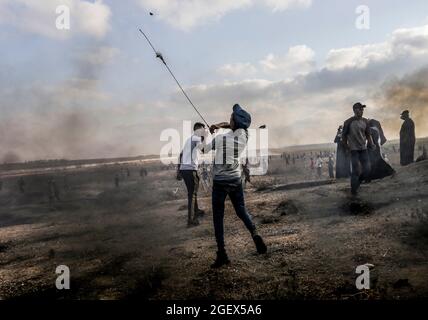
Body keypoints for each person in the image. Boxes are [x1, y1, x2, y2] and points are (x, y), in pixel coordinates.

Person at [206, 104, 267, 268]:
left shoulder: (220, 139)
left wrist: (206, 135)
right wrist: (219, 126)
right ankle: (255, 233)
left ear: (235, 122)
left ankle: (222, 254)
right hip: (235, 180)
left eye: (231, 118)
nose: (229, 120)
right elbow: (231, 125)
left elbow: (204, 149)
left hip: (220, 182)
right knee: (241, 210)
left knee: (218, 217)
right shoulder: (245, 135)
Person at [342, 102, 376, 195]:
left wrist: (371, 143)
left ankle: (357, 183)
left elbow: (368, 135)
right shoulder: (348, 122)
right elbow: (343, 136)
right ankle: (354, 191)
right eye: (359, 109)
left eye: (362, 109)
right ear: (354, 110)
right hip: (353, 150)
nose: (361, 110)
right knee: (356, 170)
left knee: (367, 169)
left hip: (363, 149)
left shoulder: (365, 121)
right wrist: (346, 147)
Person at [178, 122, 206, 227]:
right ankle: (190, 220)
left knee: (192, 192)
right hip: (190, 170)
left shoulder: (189, 139)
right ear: (198, 129)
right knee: (192, 194)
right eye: (203, 129)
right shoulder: (196, 138)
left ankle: (196, 211)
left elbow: (181, 155)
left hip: (185, 169)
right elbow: (203, 149)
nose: (204, 131)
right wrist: (205, 137)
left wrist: (179, 170)